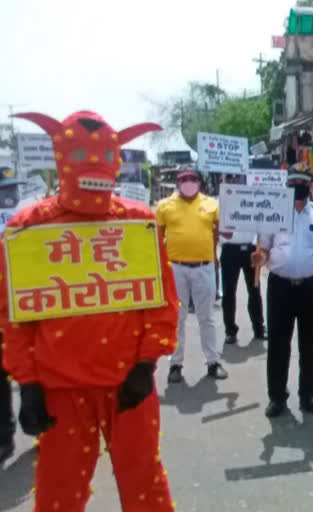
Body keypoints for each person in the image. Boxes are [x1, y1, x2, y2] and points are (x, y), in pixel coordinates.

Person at [1, 110, 179, 511]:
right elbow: (14, 318)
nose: (93, 162)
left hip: (129, 384)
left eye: (104, 153)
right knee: (59, 492)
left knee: (145, 486)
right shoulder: (28, 231)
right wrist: (28, 385)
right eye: (80, 151)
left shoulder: (138, 224)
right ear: (61, 154)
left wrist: (147, 364)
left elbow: (161, 302)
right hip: (60, 391)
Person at [250, 164, 313, 418]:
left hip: (311, 288)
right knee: (278, 344)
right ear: (286, 187)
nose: (298, 188)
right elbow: (265, 249)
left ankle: (308, 394)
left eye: (302, 184)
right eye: (293, 185)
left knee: (309, 344)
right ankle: (277, 397)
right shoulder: (273, 215)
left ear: (309, 187)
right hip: (280, 287)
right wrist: (260, 257)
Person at [157, 169, 228, 383]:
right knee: (177, 319)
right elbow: (157, 238)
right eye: (183, 180)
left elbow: (218, 232)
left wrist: (212, 253)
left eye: (192, 179)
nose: (188, 182)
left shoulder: (211, 205)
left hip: (203, 267)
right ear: (177, 183)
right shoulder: (164, 206)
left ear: (199, 182)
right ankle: (175, 364)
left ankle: (213, 362)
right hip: (175, 268)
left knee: (206, 317)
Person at [220, 176, 266, 347]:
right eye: (231, 178)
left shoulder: (253, 199)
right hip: (230, 250)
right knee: (229, 292)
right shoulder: (221, 201)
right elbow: (218, 228)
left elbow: (262, 222)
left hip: (251, 249)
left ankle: (259, 328)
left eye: (238, 178)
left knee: (254, 290)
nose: (235, 181)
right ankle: (230, 331)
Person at [0, 173, 23, 463]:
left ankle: (48, 426)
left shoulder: (30, 218)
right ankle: (4, 434)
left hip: (29, 307)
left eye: (10, 189)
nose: (9, 194)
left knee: (40, 372)